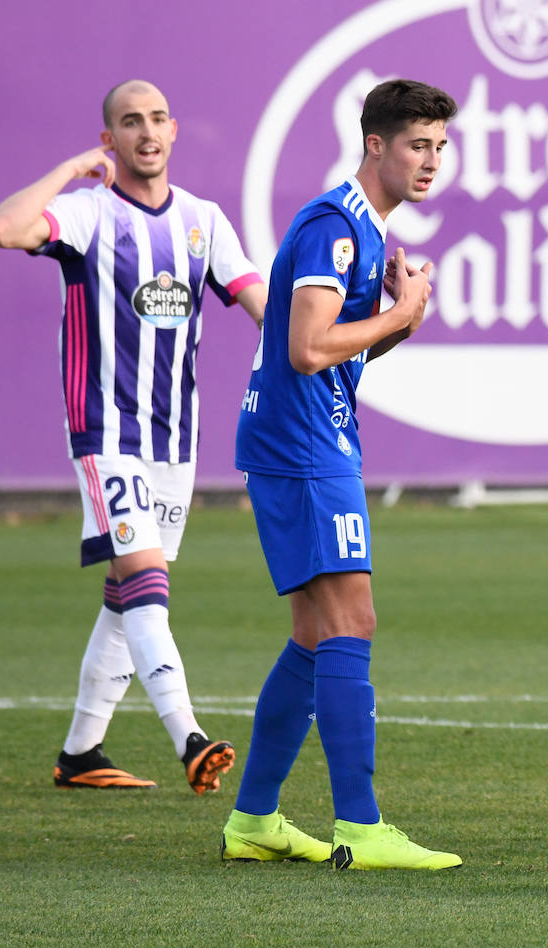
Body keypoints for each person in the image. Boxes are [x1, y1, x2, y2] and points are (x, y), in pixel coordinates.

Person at [0, 80, 264, 793]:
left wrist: (335, 345)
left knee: (128, 591)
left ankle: (82, 752)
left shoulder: (204, 221)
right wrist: (69, 169)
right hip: (105, 431)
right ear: (110, 139)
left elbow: (262, 305)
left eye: (155, 120)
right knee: (147, 585)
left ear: (174, 130)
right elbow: (7, 227)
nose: (145, 132)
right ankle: (191, 738)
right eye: (127, 123)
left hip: (176, 442)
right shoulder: (86, 214)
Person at [221, 78, 462, 870]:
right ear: (374, 145)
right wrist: (401, 312)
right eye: (417, 145)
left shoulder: (357, 228)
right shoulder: (335, 225)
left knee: (315, 632)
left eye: (439, 145)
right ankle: (360, 824)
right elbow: (307, 346)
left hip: (305, 441)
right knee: (352, 622)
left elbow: (336, 349)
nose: (431, 161)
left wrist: (400, 320)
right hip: (302, 448)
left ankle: (254, 818)